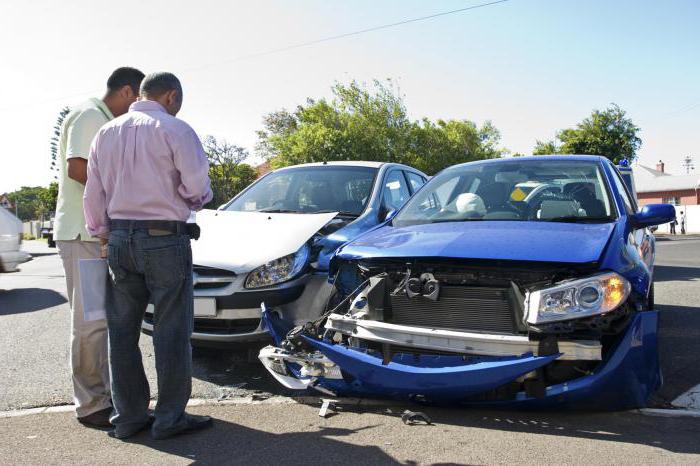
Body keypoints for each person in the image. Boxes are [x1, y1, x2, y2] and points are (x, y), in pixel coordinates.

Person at [84, 72, 213, 440]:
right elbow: (196, 187)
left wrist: (104, 234)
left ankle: (129, 418)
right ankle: (170, 419)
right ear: (170, 96)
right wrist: (196, 199)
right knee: (171, 332)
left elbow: (93, 195)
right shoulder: (175, 129)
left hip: (120, 239)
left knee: (122, 333)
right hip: (164, 239)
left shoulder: (106, 133)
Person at [53, 67, 145, 429]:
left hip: (99, 236)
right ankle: (91, 405)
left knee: (102, 322)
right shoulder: (90, 115)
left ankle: (107, 398)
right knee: (90, 322)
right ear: (127, 92)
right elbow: (78, 168)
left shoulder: (105, 118)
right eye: (139, 100)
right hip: (82, 235)